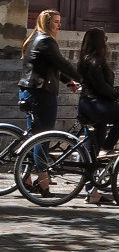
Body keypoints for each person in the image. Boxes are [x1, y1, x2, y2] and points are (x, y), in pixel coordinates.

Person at [19, 10, 81, 195]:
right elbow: (63, 64)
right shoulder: (46, 41)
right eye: (56, 22)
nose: (59, 25)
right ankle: (43, 184)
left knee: (33, 136)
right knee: (42, 137)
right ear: (47, 23)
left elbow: (51, 68)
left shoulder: (34, 39)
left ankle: (26, 178)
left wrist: (68, 80)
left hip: (29, 91)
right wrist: (83, 78)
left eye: (59, 21)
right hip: (41, 94)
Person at [77, 29, 119, 155]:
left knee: (94, 146)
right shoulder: (95, 61)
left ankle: (90, 171)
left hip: (88, 103)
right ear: (100, 42)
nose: (106, 41)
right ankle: (107, 147)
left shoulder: (87, 59)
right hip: (94, 103)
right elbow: (100, 86)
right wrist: (115, 96)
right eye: (105, 38)